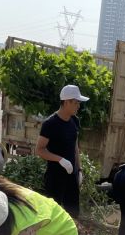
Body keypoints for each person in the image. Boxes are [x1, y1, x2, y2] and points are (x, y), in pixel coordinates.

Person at [36, 84, 89, 218]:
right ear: (66, 102)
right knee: (53, 215)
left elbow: (75, 146)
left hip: (72, 177)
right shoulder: (50, 124)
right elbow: (40, 150)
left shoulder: (74, 121)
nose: (78, 106)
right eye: (76, 103)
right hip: (55, 178)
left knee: (73, 215)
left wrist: (79, 170)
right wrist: (60, 159)